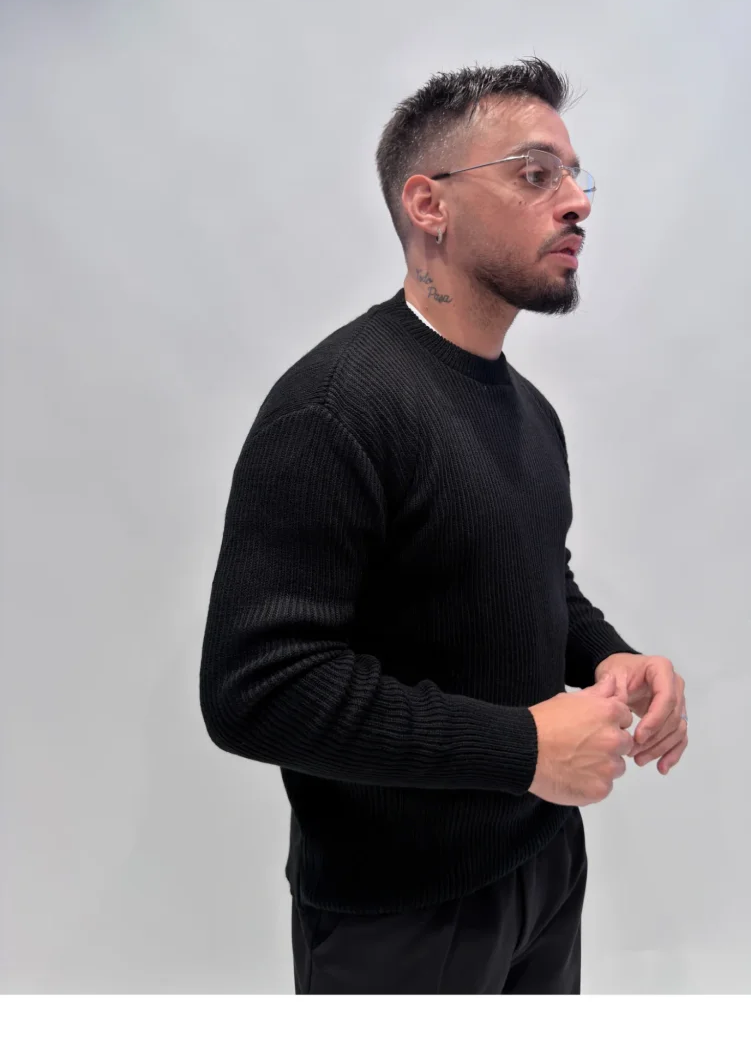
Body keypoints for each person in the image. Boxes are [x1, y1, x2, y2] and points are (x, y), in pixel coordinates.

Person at [199, 57, 688, 994]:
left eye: (575, 175)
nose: (576, 202)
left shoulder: (528, 410)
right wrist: (523, 749)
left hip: (542, 863)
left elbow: (531, 576)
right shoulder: (335, 407)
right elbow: (256, 689)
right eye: (535, 174)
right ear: (429, 205)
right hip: (398, 912)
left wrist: (611, 658)